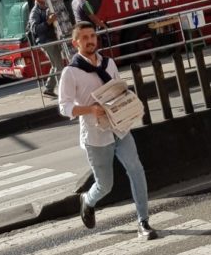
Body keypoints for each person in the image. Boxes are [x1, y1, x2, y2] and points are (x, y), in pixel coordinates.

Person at [58, 21, 157, 241]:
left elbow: (118, 88)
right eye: (84, 37)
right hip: (95, 134)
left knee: (136, 169)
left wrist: (126, 101)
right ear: (75, 43)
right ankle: (88, 200)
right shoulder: (71, 72)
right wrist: (91, 109)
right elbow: (64, 107)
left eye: (92, 35)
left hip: (119, 128)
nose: (90, 40)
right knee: (105, 185)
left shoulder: (109, 63)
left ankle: (143, 221)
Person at [28, 0, 64, 98]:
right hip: (45, 41)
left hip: (52, 38)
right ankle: (62, 91)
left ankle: (49, 88)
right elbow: (35, 29)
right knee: (58, 64)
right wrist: (48, 21)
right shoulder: (35, 11)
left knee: (55, 64)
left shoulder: (46, 6)